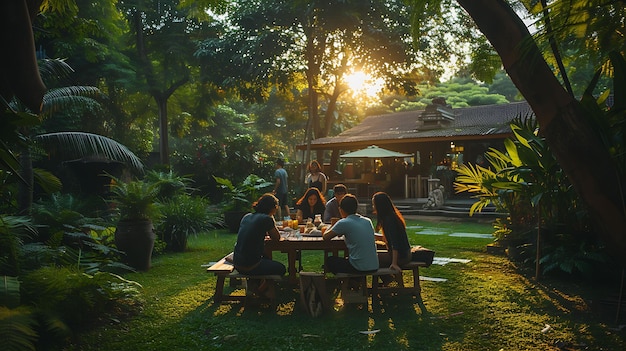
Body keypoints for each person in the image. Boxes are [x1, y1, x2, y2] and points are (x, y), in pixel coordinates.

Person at [322, 194, 379, 274]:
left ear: (341, 210)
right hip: (373, 265)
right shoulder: (367, 221)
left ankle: (347, 283)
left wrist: (331, 225)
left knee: (330, 260)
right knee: (347, 259)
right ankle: (353, 282)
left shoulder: (344, 222)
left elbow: (326, 237)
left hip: (358, 267)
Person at [232, 193, 286, 276]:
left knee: (266, 258)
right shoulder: (266, 219)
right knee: (281, 268)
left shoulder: (247, 216)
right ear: (274, 207)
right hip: (250, 266)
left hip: (237, 262)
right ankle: (264, 286)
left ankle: (258, 284)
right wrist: (271, 216)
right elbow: (277, 238)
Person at [372, 192, 412, 272]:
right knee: (377, 254)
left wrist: (394, 263)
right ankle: (387, 278)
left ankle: (387, 278)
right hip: (404, 253)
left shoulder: (389, 220)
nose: (373, 207)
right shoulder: (391, 216)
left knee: (371, 257)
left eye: (374, 204)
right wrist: (372, 236)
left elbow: (395, 243)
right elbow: (388, 238)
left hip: (402, 257)